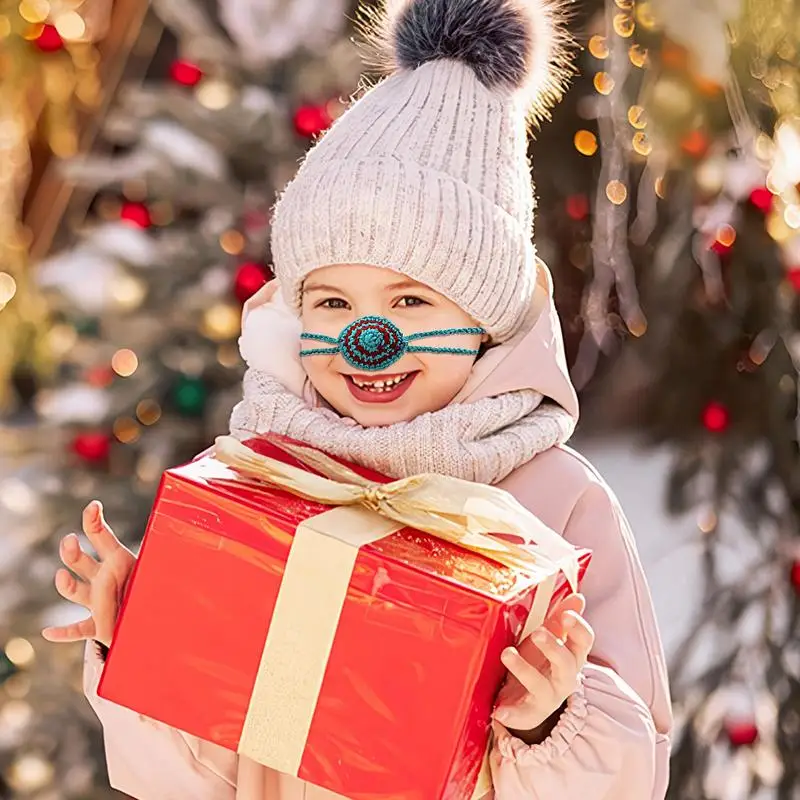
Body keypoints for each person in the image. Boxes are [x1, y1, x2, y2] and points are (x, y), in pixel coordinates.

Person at [42, 0, 673, 797]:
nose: (365, 341)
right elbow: (190, 781)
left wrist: (551, 721)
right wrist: (147, 640)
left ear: (485, 322)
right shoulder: (253, 482)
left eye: (412, 304)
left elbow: (636, 774)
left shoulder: (558, 506)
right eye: (333, 304)